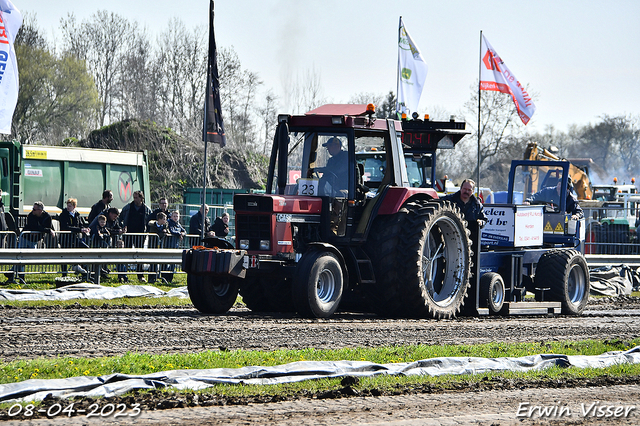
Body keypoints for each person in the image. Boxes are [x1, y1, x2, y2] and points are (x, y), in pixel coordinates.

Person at [11, 202, 56, 283]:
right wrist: (47, 230)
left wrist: (43, 229)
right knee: (21, 257)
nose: (32, 210)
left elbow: (45, 227)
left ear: (40, 210)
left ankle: (11, 272)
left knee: (30, 257)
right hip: (25, 238)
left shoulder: (47, 217)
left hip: (35, 240)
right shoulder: (31, 215)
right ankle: (21, 276)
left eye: (34, 209)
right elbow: (34, 227)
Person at [120, 190, 152, 282]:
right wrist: (122, 228)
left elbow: (150, 221)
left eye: (136, 197)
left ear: (141, 198)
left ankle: (140, 275)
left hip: (140, 235)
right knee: (126, 254)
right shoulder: (127, 208)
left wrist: (147, 232)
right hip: (128, 234)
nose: (135, 199)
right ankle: (123, 275)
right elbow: (120, 218)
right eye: (134, 197)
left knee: (139, 255)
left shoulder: (146, 209)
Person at [58, 198, 90, 275]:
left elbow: (80, 224)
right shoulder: (63, 215)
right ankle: (64, 274)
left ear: (74, 207)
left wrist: (85, 229)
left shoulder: (77, 215)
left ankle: (82, 269)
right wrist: (80, 230)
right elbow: (66, 227)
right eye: (67, 206)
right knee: (64, 256)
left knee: (86, 249)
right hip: (65, 239)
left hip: (74, 238)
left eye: (70, 206)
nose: (68, 207)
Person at [147, 212, 171, 283]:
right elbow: (155, 234)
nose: (165, 220)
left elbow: (168, 231)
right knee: (152, 262)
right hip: (153, 245)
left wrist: (166, 231)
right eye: (164, 219)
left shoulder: (165, 225)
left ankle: (160, 276)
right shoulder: (153, 225)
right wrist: (162, 233)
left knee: (160, 262)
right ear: (159, 219)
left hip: (161, 246)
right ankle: (151, 277)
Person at [163, 211, 186, 283]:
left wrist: (182, 233)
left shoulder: (178, 224)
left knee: (173, 264)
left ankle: (170, 278)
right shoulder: (169, 222)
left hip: (175, 246)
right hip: (168, 245)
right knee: (166, 263)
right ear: (171, 216)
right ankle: (164, 278)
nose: (176, 218)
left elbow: (184, 231)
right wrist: (179, 234)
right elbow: (171, 231)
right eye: (174, 216)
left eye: (177, 216)